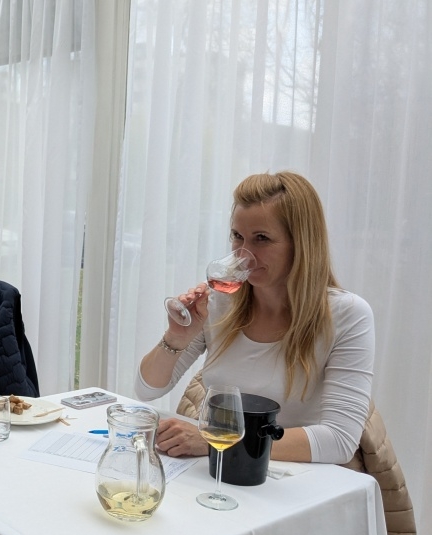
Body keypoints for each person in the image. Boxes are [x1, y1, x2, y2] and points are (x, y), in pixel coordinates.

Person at [136, 171, 374, 464]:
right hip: (223, 469)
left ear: (301, 244)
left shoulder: (347, 314)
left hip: (297, 477)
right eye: (237, 236)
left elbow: (339, 440)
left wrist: (216, 439)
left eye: (262, 238)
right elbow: (147, 389)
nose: (242, 253)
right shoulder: (221, 302)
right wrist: (176, 337)